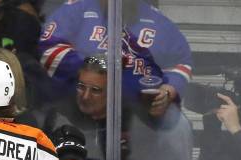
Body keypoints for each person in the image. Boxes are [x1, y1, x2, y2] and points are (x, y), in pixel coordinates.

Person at [43, 54, 194, 160]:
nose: (85, 96)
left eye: (95, 90)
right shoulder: (59, 117)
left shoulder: (138, 122)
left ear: (114, 92)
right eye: (81, 87)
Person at [39, 0, 193, 118]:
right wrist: (97, 68)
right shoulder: (77, 8)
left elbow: (180, 62)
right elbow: (48, 48)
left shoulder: (158, 21)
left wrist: (168, 90)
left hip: (139, 115)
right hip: (79, 108)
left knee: (178, 127)